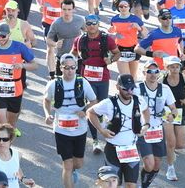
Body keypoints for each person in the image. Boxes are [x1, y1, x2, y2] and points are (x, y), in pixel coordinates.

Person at [43, 54, 98, 188]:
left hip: (80, 128)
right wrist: (47, 114)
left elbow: (94, 100)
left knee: (78, 163)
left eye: (73, 67)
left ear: (76, 67)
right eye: (66, 67)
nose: (70, 71)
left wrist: (84, 111)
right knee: (67, 165)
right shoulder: (53, 84)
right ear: (61, 67)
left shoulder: (83, 82)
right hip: (61, 130)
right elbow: (46, 100)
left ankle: (73, 170)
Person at [87, 74, 150, 188]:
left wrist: (146, 124)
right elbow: (90, 112)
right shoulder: (109, 103)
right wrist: (101, 130)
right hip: (113, 149)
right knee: (113, 185)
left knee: (131, 185)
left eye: (132, 88)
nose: (129, 91)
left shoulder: (139, 100)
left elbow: (146, 110)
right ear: (117, 87)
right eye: (125, 88)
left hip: (131, 149)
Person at [71, 15, 121, 154]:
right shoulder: (80, 40)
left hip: (102, 78)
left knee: (102, 107)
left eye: (94, 23)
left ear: (98, 24)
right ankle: (95, 141)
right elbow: (73, 53)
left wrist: (110, 60)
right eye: (88, 23)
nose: (91, 26)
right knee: (93, 106)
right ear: (85, 25)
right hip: (86, 78)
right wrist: (71, 62)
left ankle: (104, 129)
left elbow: (117, 53)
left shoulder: (106, 39)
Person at [0, 23, 37, 136]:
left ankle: (8, 146)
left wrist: (22, 65)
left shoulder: (19, 47)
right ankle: (3, 147)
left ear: (9, 35)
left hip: (15, 89)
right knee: (2, 125)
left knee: (11, 125)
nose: (0, 39)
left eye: (3, 36)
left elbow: (34, 65)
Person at [135, 60, 179, 188]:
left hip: (158, 130)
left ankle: (145, 184)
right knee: (149, 163)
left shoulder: (165, 89)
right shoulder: (137, 89)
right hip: (142, 130)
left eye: (156, 71)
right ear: (144, 72)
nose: (153, 74)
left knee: (157, 164)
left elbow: (174, 109)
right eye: (149, 71)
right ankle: (142, 186)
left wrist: (172, 115)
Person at [162, 55, 185, 181]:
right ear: (167, 67)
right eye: (172, 67)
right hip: (167, 112)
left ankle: (171, 151)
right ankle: (170, 167)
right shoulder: (162, 79)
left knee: (180, 145)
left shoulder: (184, 79)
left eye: (177, 66)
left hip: (181, 111)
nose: (175, 69)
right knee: (170, 142)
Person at [108, 0, 146, 79]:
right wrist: (114, 34)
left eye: (126, 6)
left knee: (133, 77)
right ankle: (123, 91)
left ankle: (133, 92)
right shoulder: (114, 19)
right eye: (121, 6)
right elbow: (110, 33)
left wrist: (139, 28)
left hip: (133, 49)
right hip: (119, 49)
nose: (123, 8)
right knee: (125, 77)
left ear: (129, 7)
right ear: (118, 7)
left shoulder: (135, 19)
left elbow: (146, 34)